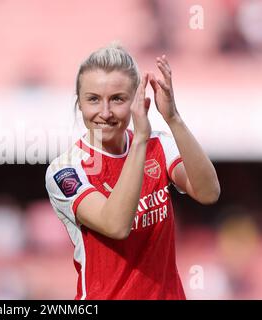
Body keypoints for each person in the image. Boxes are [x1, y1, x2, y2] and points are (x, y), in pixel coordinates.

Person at [45, 43, 220, 300]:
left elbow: (208, 192)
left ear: (136, 101)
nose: (105, 113)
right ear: (79, 104)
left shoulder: (158, 145)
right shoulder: (66, 170)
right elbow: (115, 225)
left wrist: (173, 119)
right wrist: (140, 138)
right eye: (93, 99)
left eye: (117, 99)